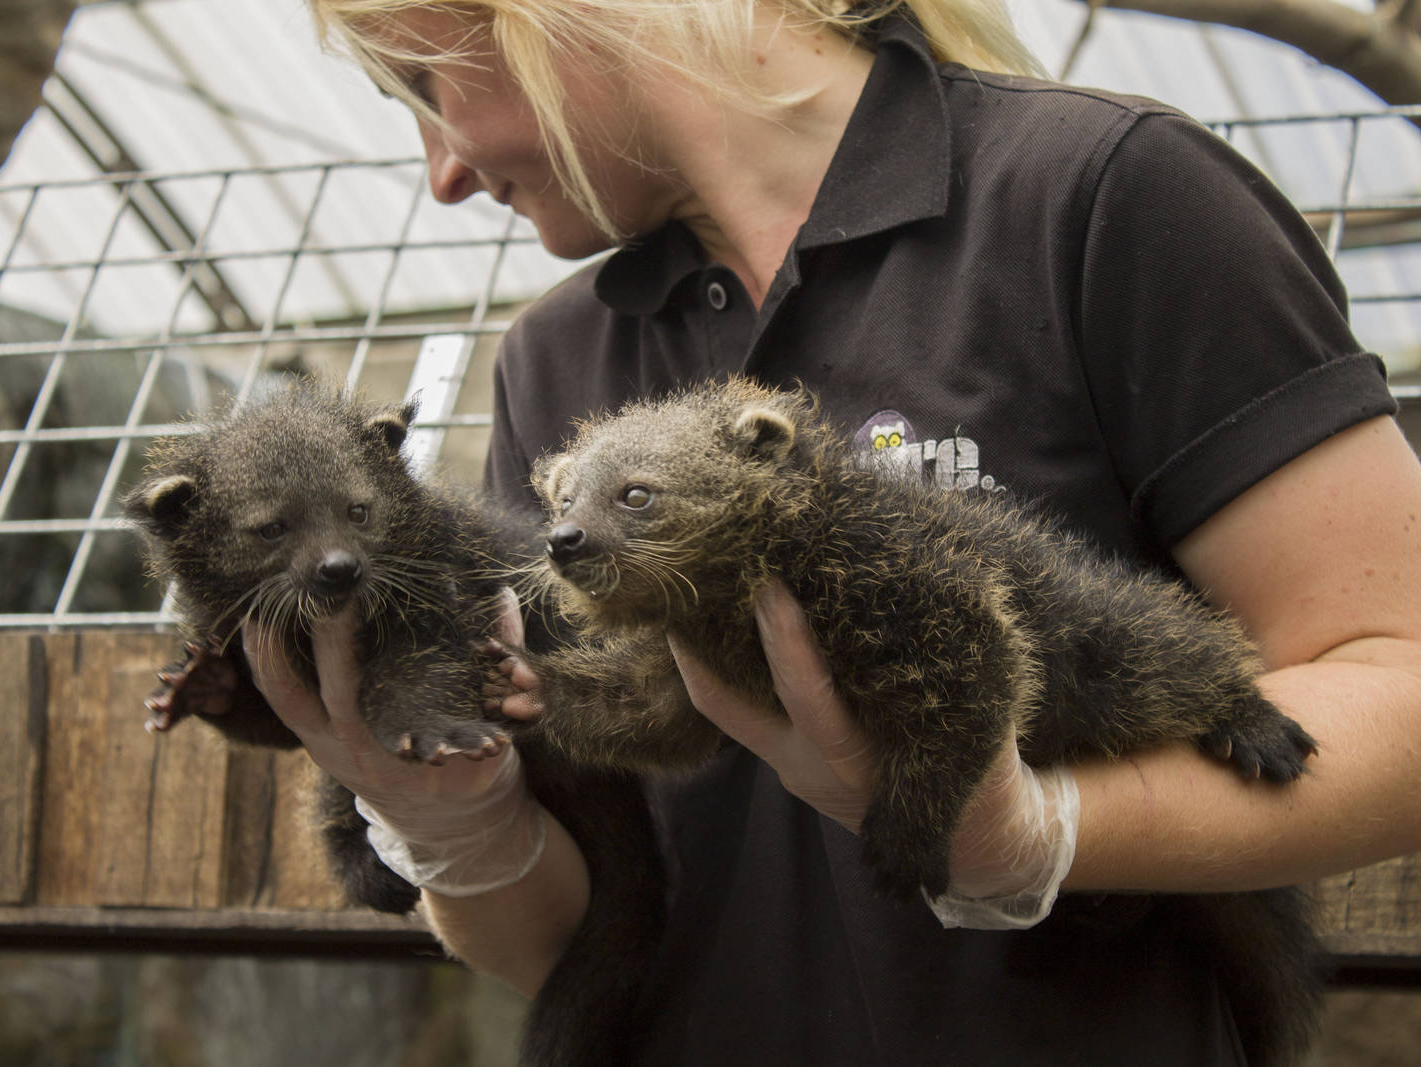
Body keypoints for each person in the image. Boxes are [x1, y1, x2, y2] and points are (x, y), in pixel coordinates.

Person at [244, 1, 1421, 1062]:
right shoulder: (560, 359)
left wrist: (1034, 833)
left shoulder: (1099, 194)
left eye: (423, 86)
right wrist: (458, 824)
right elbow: (557, 937)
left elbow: (1398, 682)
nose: (439, 172)